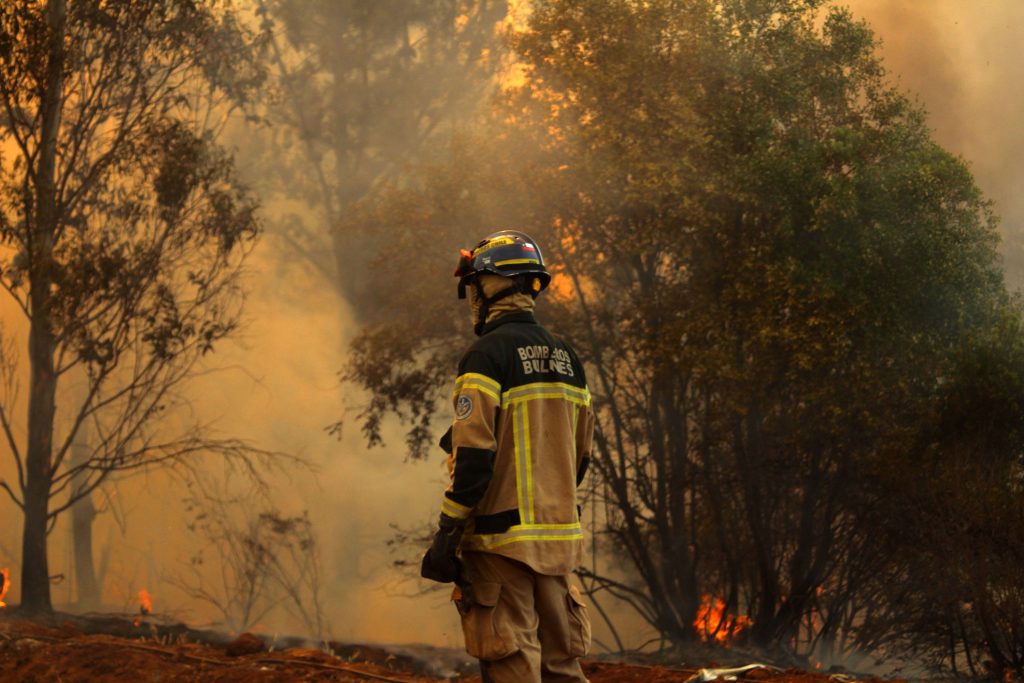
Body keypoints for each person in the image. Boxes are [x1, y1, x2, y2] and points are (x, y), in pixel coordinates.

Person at [421, 230, 595, 683]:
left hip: (501, 545)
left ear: (493, 286)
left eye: (474, 287)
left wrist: (447, 531)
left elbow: (474, 461)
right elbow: (579, 460)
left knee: (512, 661)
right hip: (556, 543)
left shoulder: (486, 355)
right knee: (562, 665)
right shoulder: (568, 358)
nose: (472, 299)